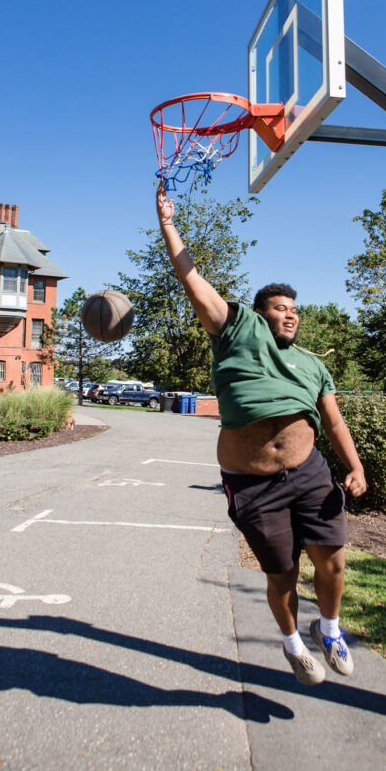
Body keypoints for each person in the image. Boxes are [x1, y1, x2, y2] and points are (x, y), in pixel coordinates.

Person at [156, 182, 367, 685]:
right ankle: (294, 644)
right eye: (280, 306)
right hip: (252, 482)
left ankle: (330, 628)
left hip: (311, 473)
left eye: (295, 308)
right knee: (283, 574)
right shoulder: (236, 329)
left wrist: (355, 466)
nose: (290, 312)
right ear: (259, 312)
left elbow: (333, 421)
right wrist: (168, 223)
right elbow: (192, 279)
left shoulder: (314, 366)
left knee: (332, 563)